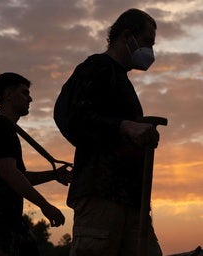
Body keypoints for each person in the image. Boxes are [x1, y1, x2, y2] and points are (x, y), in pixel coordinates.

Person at [56, 8, 163, 256]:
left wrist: (144, 137)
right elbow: (72, 117)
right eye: (147, 42)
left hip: (132, 200)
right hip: (101, 196)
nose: (151, 52)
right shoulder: (97, 67)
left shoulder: (121, 80)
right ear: (127, 36)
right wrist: (124, 126)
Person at [0, 72, 71, 256]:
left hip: (2, 221)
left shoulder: (2, 128)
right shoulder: (1, 127)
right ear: (8, 95)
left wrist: (53, 175)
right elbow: (9, 174)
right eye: (24, 93)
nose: (30, 99)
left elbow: (17, 175)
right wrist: (45, 205)